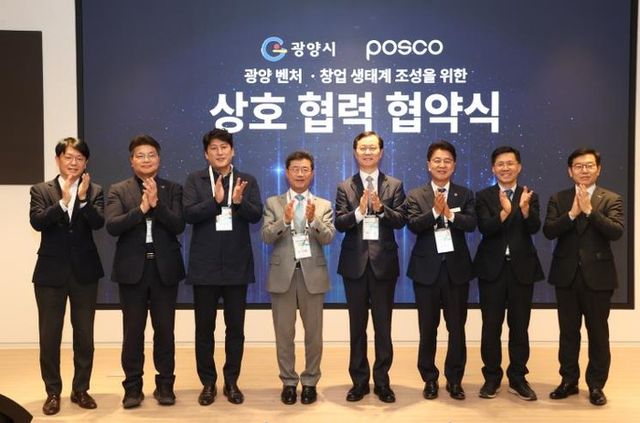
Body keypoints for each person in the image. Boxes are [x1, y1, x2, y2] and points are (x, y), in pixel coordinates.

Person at [183, 128, 263, 406]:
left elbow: (256, 216)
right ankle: (208, 383)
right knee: (204, 330)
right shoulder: (195, 180)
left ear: (233, 151)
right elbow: (188, 214)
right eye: (214, 148)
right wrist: (214, 202)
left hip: (236, 266)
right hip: (204, 267)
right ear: (206, 154)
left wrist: (238, 203)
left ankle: (231, 381)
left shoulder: (246, 180)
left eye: (224, 147)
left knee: (235, 329)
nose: (219, 152)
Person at [105, 135, 185, 408]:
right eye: (140, 155)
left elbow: (178, 225)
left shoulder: (172, 189)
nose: (146, 159)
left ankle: (165, 385)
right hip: (132, 271)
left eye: (151, 155)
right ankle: (132, 388)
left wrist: (157, 204)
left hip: (164, 270)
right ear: (132, 161)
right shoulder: (119, 190)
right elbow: (113, 226)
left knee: (165, 331)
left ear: (159, 159)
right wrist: (142, 208)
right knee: (133, 332)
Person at [543, 147, 623, 406]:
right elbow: (549, 231)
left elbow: (616, 231)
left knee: (598, 333)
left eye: (589, 166)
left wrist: (589, 211)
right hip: (566, 276)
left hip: (598, 277)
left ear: (598, 169)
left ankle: (596, 385)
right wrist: (572, 214)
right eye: (578, 166)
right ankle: (568, 381)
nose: (584, 170)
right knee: (568, 333)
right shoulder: (559, 198)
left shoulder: (611, 199)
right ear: (570, 171)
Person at [29, 137, 104, 415]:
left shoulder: (94, 190)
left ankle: (80, 389)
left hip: (85, 272)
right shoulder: (41, 190)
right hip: (50, 274)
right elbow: (37, 222)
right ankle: (52, 392)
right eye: (69, 157)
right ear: (58, 159)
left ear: (86, 163)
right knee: (49, 336)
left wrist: (82, 200)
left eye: (79, 159)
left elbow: (99, 223)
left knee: (84, 335)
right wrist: (63, 202)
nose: (74, 163)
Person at [334, 130, 406, 403]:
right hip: (354, 265)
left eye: (372, 148)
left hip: (384, 265)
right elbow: (340, 223)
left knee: (383, 327)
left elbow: (401, 220)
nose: (367, 152)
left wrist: (381, 208)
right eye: (363, 148)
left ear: (381, 152)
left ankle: (383, 382)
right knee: (357, 327)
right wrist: (360, 211)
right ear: (355, 152)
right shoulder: (345, 186)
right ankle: (359, 382)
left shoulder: (394, 185)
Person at [261, 150, 336, 405]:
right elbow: (266, 236)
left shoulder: (323, 204)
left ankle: (310, 382)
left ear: (312, 173)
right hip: (282, 276)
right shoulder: (273, 203)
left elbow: (328, 238)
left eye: (305, 169)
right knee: (284, 334)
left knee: (314, 335)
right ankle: (289, 382)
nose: (300, 174)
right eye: (295, 169)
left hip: (312, 276)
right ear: (287, 173)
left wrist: (314, 221)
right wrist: (284, 220)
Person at [405, 140, 476, 401]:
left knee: (456, 328)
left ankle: (455, 380)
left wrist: (451, 215)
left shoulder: (465, 194)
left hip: (456, 270)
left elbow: (471, 223)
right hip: (426, 271)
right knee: (428, 327)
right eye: (437, 160)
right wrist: (435, 212)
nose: (442, 165)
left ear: (454, 165)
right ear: (428, 165)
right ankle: (430, 378)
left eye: (447, 161)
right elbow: (413, 225)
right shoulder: (416, 195)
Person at [473, 146, 544, 401]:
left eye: (510, 163)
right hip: (491, 269)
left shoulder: (529, 195)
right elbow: (485, 227)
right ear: (493, 169)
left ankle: (518, 378)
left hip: (521, 270)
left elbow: (534, 227)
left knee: (519, 326)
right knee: (491, 326)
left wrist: (524, 210)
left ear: (519, 167)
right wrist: (504, 212)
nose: (506, 168)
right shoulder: (483, 196)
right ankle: (491, 378)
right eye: (500, 164)